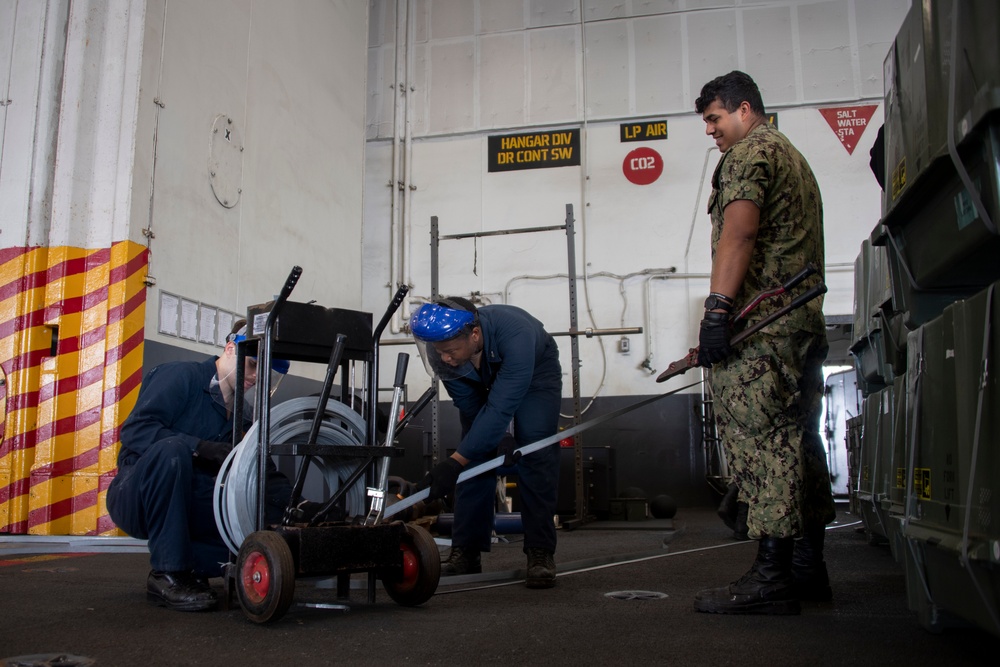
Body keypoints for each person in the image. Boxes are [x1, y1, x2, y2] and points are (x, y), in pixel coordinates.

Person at [691, 71, 836, 615]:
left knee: (763, 445)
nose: (711, 131)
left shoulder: (749, 154)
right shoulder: (792, 155)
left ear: (744, 109)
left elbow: (740, 231)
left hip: (761, 332)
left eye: (714, 118)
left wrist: (717, 311)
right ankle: (806, 568)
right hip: (799, 326)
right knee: (800, 443)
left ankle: (772, 576)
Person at [106, 320, 293, 611]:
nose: (256, 377)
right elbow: (136, 431)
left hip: (190, 501)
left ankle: (193, 569)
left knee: (246, 513)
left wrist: (300, 505)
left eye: (264, 371)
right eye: (253, 364)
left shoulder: (243, 419)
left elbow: (264, 474)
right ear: (230, 349)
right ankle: (168, 573)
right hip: (137, 494)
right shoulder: (181, 377)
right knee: (173, 451)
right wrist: (199, 448)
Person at [409, 297, 562, 588]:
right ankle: (466, 551)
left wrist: (453, 464)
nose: (444, 359)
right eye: (440, 353)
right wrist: (467, 457)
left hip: (536, 377)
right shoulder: (441, 347)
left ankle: (539, 551)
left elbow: (501, 408)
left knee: (536, 448)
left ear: (474, 335)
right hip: (477, 376)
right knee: (473, 455)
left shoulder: (516, 333)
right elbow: (472, 411)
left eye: (451, 352)